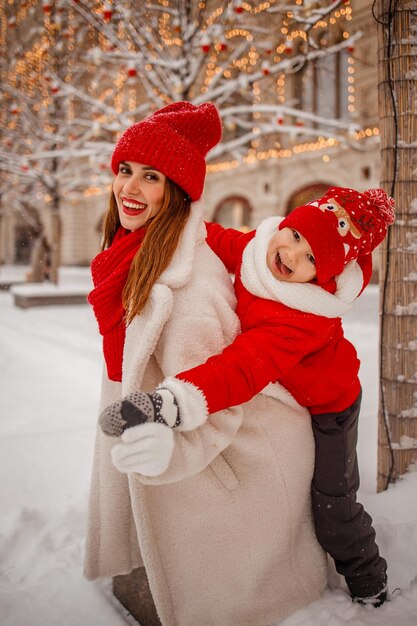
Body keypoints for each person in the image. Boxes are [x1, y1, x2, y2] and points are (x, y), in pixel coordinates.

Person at [85, 101, 327, 626]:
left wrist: (169, 450)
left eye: (151, 177)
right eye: (125, 170)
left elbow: (218, 400)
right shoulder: (134, 251)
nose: (129, 187)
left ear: (176, 191)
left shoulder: (192, 286)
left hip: (238, 456)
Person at [100, 185, 395, 608]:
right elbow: (213, 237)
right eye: (295, 236)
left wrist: (169, 402)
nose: (291, 255)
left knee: (333, 507)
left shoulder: (302, 319)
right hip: (290, 389)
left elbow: (241, 367)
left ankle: (369, 580)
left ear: (325, 275)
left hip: (332, 406)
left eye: (311, 258)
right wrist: (165, 221)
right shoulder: (259, 251)